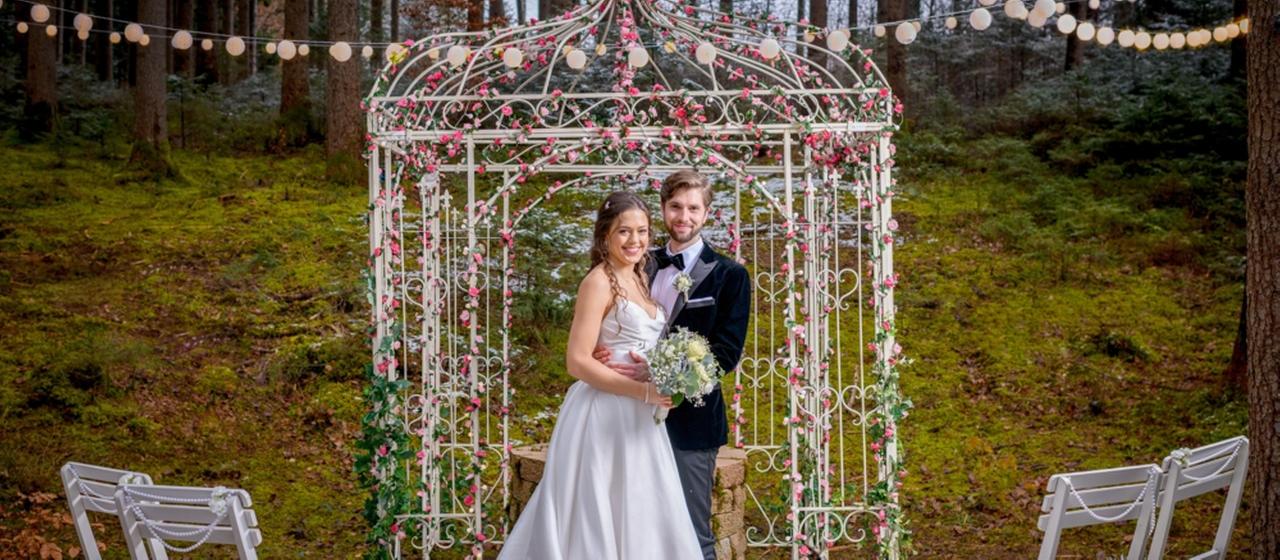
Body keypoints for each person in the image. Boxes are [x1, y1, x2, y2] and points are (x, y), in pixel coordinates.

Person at [499, 191, 703, 560]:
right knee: (598, 507)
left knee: (642, 506)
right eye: (624, 232)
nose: (635, 240)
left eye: (642, 231)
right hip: (605, 411)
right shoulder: (597, 282)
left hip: (642, 417)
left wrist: (668, 373)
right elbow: (577, 361)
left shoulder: (642, 277)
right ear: (605, 235)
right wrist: (641, 392)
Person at [599, 170, 752, 560]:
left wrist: (664, 374)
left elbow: (725, 354)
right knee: (633, 527)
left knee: (690, 531)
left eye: (693, 208)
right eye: (675, 207)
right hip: (629, 417)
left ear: (706, 213)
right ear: (664, 210)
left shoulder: (729, 275)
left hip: (691, 422)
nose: (684, 216)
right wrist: (605, 351)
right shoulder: (636, 265)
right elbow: (609, 318)